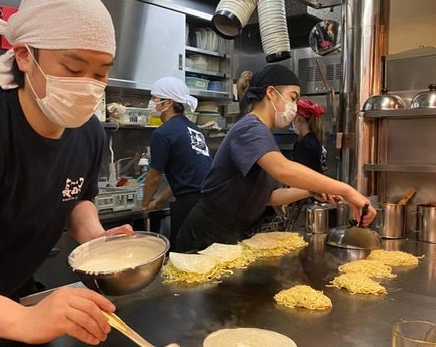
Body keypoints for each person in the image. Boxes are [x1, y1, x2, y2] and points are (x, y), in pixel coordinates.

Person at [0, 0, 133, 346]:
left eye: (100, 73)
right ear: (24, 56)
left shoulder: (89, 132)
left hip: (15, 296)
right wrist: (24, 320)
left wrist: (95, 239)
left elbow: (76, 197)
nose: (88, 85)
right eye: (73, 69)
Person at [176, 64, 376, 252]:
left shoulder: (263, 133)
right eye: (292, 98)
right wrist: (347, 190)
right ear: (271, 93)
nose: (295, 107)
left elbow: (268, 198)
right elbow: (283, 170)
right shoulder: (250, 128)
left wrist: (310, 190)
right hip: (207, 232)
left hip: (230, 231)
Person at [140, 76, 212, 248]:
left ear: (168, 102)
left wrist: (144, 205)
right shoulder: (194, 129)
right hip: (210, 203)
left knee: (184, 257)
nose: (151, 102)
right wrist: (158, 201)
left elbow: (154, 177)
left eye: (154, 98)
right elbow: (187, 175)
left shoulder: (163, 133)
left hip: (189, 207)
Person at [292, 99, 328, 173]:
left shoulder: (305, 144)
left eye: (294, 118)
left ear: (299, 118)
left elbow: (300, 174)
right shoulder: (314, 139)